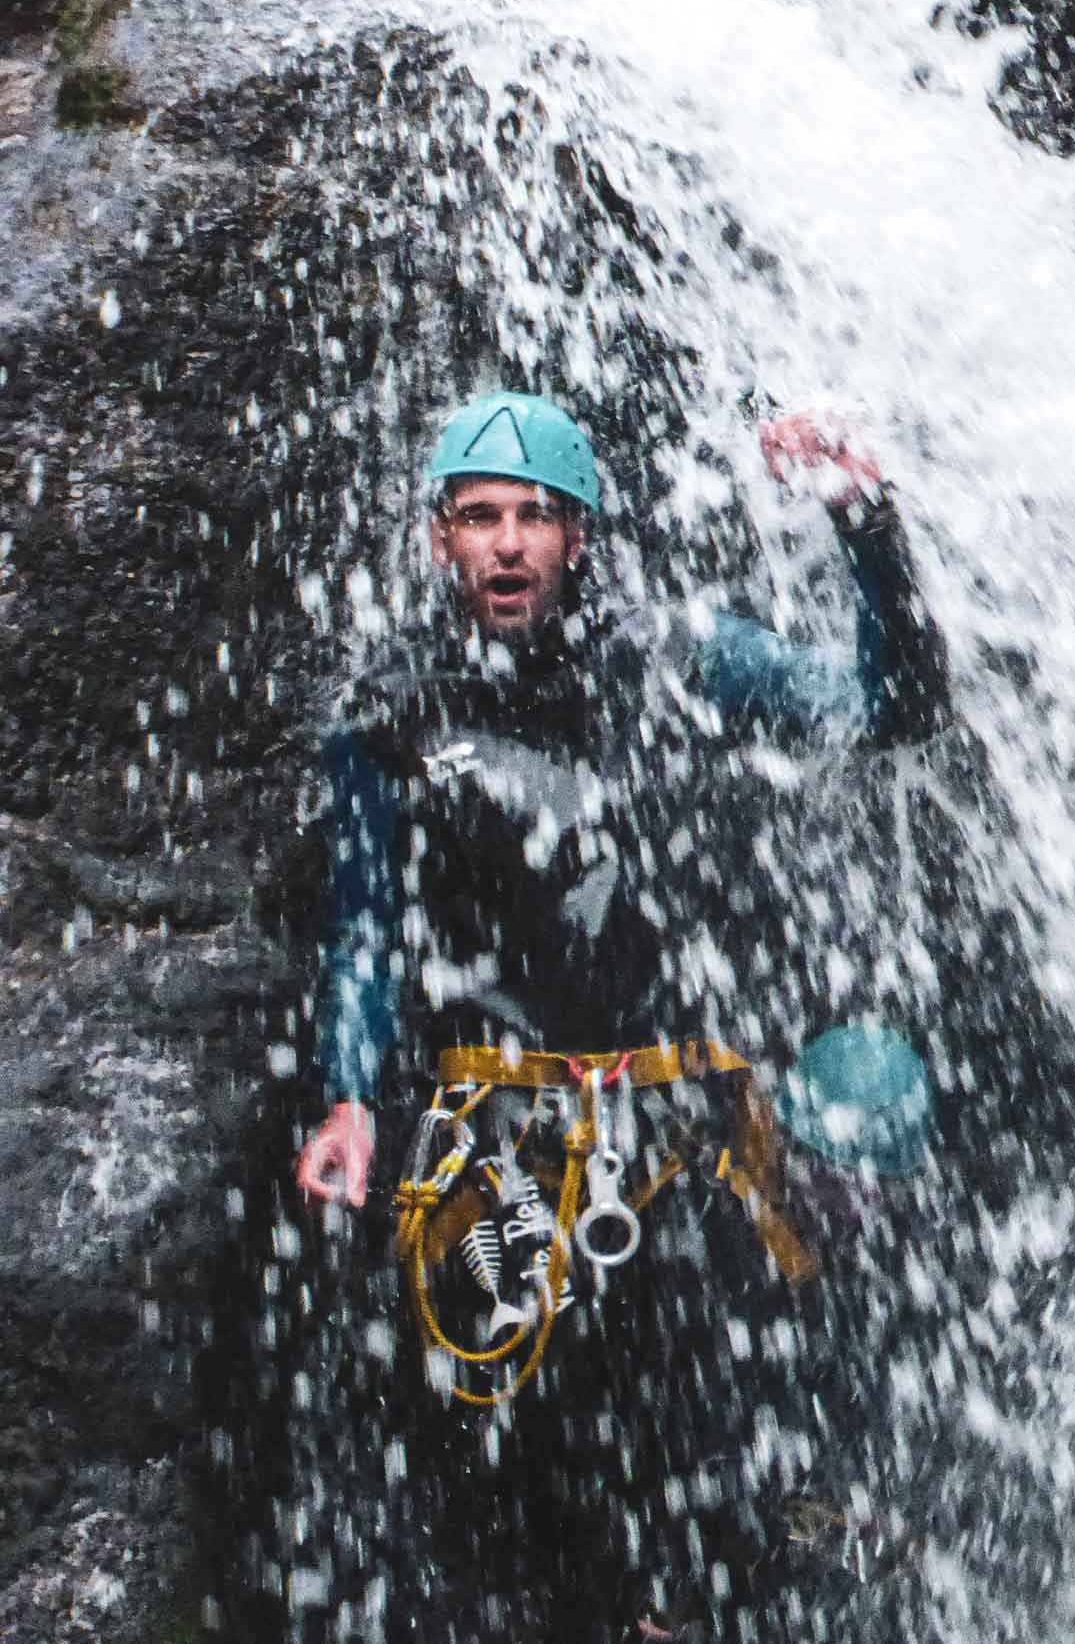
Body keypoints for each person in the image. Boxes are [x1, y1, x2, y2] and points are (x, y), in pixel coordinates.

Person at [274, 390, 950, 1644]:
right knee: (503, 1487)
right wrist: (350, 1093)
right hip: (491, 1142)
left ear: (580, 537)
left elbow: (894, 707)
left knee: (721, 1486)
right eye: (481, 518)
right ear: (440, 541)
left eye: (537, 516)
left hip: (675, 1136)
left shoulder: (679, 654)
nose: (510, 544)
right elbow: (360, 921)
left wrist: (864, 522)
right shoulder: (393, 706)